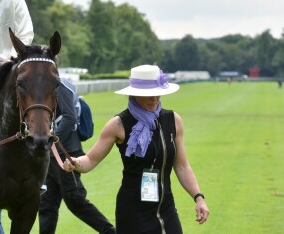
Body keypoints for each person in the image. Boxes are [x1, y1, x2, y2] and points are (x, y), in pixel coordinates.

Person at [64, 65, 210, 233]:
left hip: (166, 206)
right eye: (148, 94)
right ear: (134, 93)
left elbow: (182, 166)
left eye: (157, 92)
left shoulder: (173, 120)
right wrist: (75, 162)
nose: (154, 98)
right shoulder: (118, 124)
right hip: (133, 211)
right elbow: (90, 160)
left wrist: (199, 198)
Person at [39, 78, 115, 234]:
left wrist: (49, 140)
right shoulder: (40, 86)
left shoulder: (61, 86)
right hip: (50, 155)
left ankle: (110, 231)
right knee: (46, 204)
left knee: (75, 199)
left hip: (68, 153)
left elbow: (69, 118)